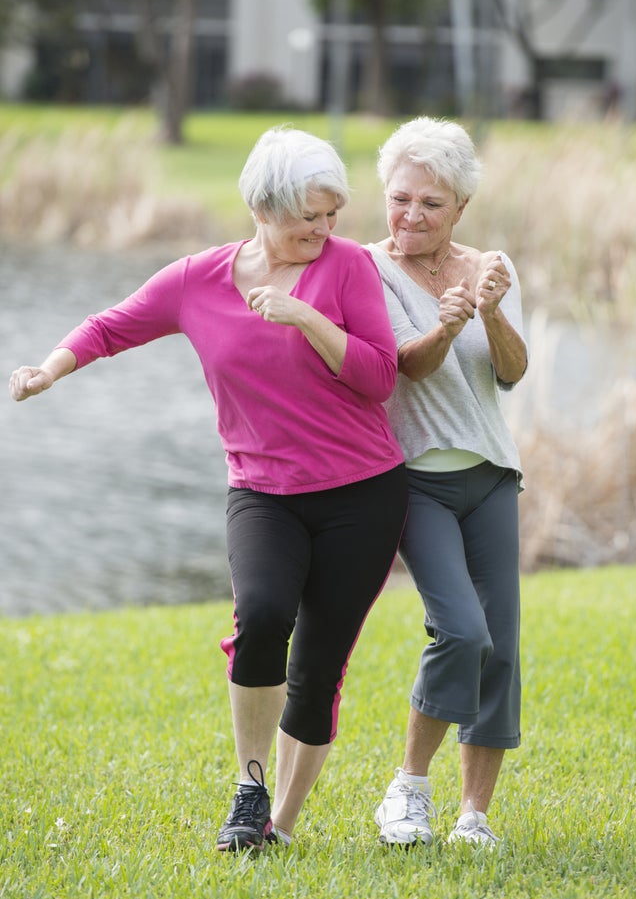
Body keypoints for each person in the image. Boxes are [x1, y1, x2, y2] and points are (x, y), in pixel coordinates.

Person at [8, 125, 408, 853]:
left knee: (319, 665)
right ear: (263, 207)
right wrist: (48, 368)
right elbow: (110, 327)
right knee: (260, 617)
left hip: (363, 494)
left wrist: (307, 317)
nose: (324, 229)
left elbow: (380, 376)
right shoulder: (199, 279)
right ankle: (249, 786)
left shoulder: (348, 269)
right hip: (262, 491)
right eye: (307, 217)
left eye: (332, 215)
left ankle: (276, 825)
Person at [367, 117, 527, 848]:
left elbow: (512, 371)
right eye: (400, 198)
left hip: (489, 477)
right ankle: (408, 787)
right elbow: (406, 365)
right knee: (460, 629)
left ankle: (475, 816)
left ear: (460, 207)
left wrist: (488, 309)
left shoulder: (491, 265)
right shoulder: (364, 268)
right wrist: (442, 323)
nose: (411, 216)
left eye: (431, 204)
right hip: (414, 482)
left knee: (501, 646)